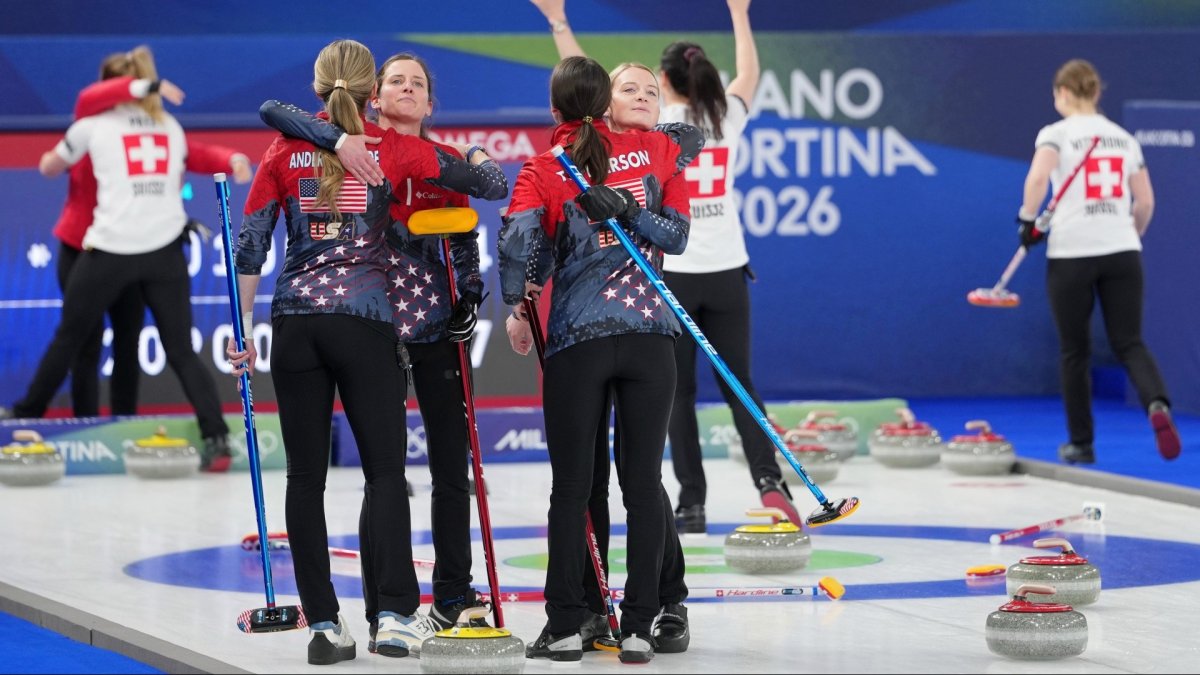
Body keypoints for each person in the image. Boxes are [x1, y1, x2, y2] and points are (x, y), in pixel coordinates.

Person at [227, 39, 508, 665]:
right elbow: (486, 183)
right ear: (371, 94)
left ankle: (325, 626)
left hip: (295, 324)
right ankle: (391, 618)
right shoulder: (395, 150)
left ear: (321, 88)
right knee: (385, 474)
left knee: (305, 478)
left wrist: (241, 328)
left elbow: (249, 247)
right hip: (364, 322)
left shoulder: (283, 148)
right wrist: (475, 156)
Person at [498, 55, 702, 664]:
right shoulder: (661, 154)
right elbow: (677, 236)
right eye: (627, 89)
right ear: (602, 101)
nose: (641, 97)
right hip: (647, 338)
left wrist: (519, 304)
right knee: (641, 485)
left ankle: (567, 623)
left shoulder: (546, 165)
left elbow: (517, 252)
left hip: (579, 342)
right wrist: (638, 215)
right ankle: (634, 626)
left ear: (557, 109)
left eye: (648, 90)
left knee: (574, 488)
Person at [2, 45, 235, 469]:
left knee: (71, 335)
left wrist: (52, 159)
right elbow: (196, 157)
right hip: (165, 250)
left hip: (112, 248)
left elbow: (51, 166)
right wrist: (231, 158)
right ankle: (217, 436)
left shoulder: (91, 125)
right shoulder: (169, 126)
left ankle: (24, 413)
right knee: (181, 348)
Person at [654, 0, 803, 533]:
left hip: (674, 273)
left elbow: (592, 93)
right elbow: (751, 74)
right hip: (727, 272)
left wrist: (560, 24)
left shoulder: (657, 123)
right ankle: (770, 482)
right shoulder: (725, 115)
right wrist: (739, 12)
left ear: (666, 82)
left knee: (680, 392)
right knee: (740, 382)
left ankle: (691, 501)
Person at [45, 56, 250, 428]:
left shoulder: (158, 129)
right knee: (83, 342)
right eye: (122, 87)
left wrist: (231, 156)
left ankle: (121, 423)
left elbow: (195, 152)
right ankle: (84, 424)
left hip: (135, 245)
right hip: (85, 244)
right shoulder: (90, 125)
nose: (129, 94)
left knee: (128, 340)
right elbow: (86, 105)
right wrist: (146, 85)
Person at [1016, 58, 1181, 465]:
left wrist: (1026, 219)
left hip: (1072, 251)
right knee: (1129, 342)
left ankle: (1081, 443)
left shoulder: (1055, 134)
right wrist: (1130, 236)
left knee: (1075, 351)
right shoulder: (1124, 139)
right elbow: (1145, 201)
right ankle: (1158, 405)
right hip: (1122, 248)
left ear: (1066, 93)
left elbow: (1038, 179)